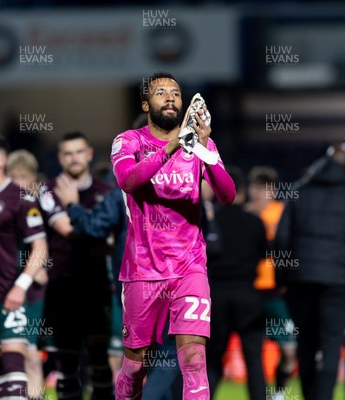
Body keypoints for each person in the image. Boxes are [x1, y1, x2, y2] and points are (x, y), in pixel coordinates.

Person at [111, 71, 236, 400]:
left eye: (176, 93)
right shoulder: (128, 141)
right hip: (142, 270)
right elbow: (128, 180)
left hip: (190, 267)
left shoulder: (199, 146)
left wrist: (206, 149)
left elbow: (227, 194)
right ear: (145, 103)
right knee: (135, 366)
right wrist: (171, 146)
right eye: (161, 92)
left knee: (194, 360)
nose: (170, 97)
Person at [275, 143, 345, 400]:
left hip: (300, 282)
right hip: (338, 283)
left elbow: (281, 240)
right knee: (330, 345)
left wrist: (283, 278)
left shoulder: (298, 191)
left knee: (306, 346)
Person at [0, 132, 49, 400]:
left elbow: (42, 248)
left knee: (23, 361)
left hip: (14, 297)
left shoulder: (23, 199)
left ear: (0, 159)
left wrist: (22, 284)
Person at [45, 131, 114, 400]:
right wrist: (93, 228)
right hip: (62, 285)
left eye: (78, 152)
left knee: (100, 360)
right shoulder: (49, 191)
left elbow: (108, 240)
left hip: (96, 285)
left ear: (88, 154)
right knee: (67, 364)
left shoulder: (106, 193)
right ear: (61, 158)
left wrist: (79, 215)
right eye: (68, 153)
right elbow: (70, 231)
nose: (74, 158)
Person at [6, 149, 73, 400]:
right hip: (16, 285)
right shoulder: (6, 205)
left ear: (33, 177)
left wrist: (41, 266)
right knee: (23, 354)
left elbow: (58, 234)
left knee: (37, 355)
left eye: (22, 176)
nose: (17, 182)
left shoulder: (42, 200)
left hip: (42, 288)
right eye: (12, 176)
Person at [205, 166, 266, 400]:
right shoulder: (254, 222)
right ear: (242, 190)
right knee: (254, 360)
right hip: (248, 296)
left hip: (217, 296)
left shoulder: (211, 221)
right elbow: (264, 254)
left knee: (213, 358)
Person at [245, 166, 297, 398]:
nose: (259, 193)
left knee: (289, 350)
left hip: (276, 292)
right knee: (251, 350)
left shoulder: (283, 213)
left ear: (274, 190)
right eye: (255, 188)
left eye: (264, 188)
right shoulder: (243, 215)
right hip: (250, 291)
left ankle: (278, 393)